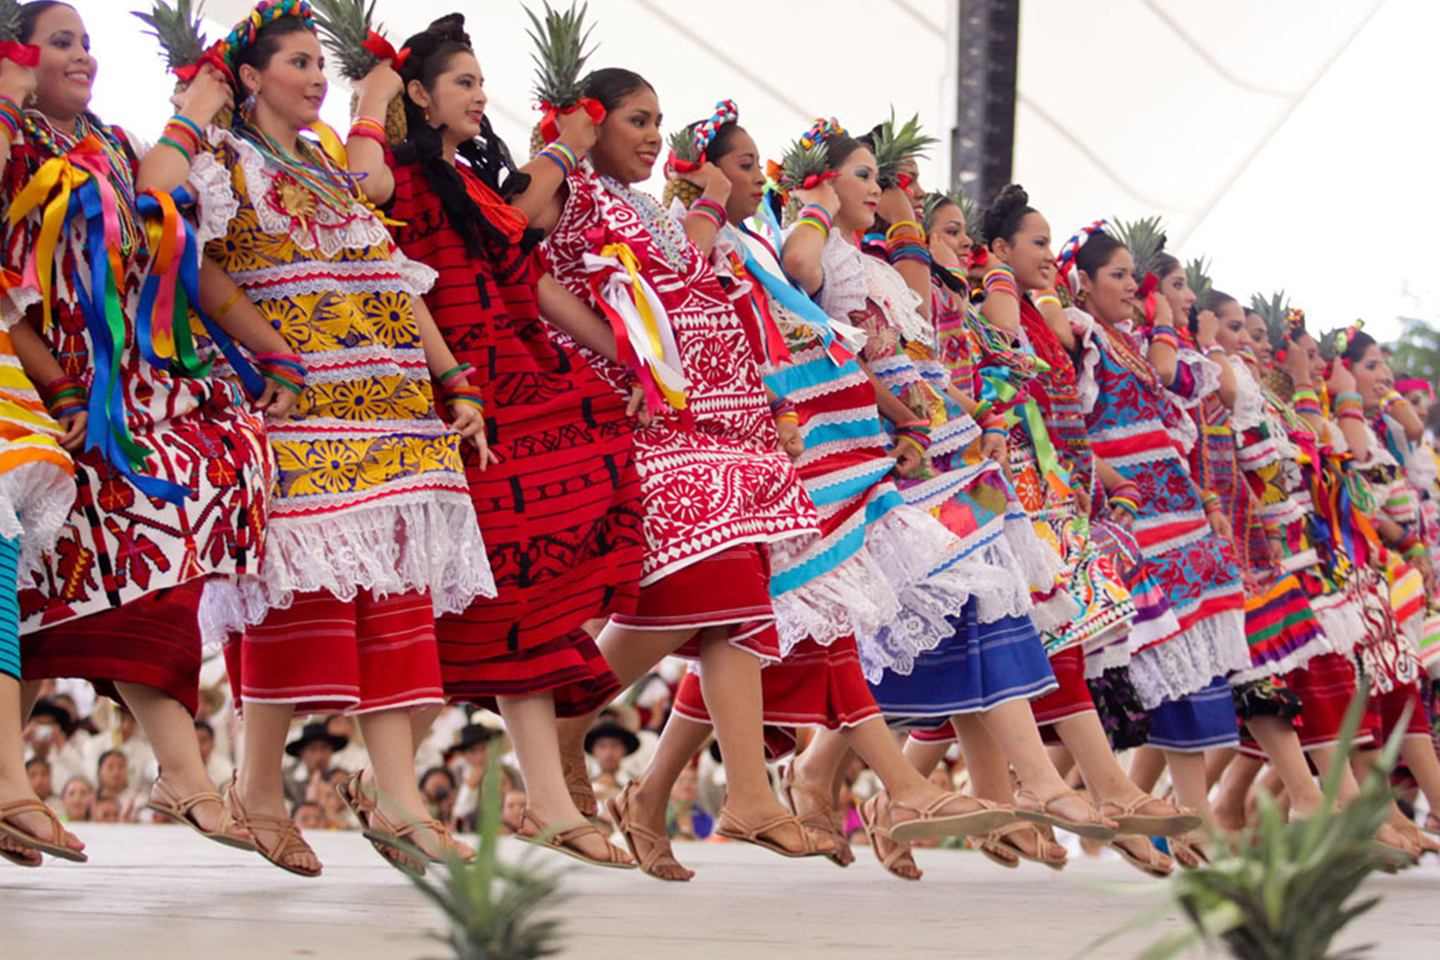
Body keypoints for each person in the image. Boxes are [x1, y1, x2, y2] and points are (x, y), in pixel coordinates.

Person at [137, 1, 496, 877]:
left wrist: (453, 379)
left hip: (391, 400)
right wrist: (199, 102)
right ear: (251, 77)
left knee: (395, 596)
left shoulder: (333, 165)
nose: (313, 77)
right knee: (304, 598)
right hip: (303, 398)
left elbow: (391, 271)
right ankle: (259, 789)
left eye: (317, 64)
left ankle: (401, 801)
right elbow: (168, 219)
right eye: (296, 62)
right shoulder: (221, 158)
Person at [345, 14, 645, 869]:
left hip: (515, 381)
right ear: (418, 95)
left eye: (482, 82)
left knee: (531, 593)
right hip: (452, 396)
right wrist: (372, 103)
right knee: (493, 597)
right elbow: (372, 223)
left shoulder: (466, 183)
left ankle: (537, 799)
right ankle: (405, 789)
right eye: (464, 82)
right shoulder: (394, 177)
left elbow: (530, 279)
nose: (480, 95)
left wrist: (624, 356)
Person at [524, 66, 833, 862]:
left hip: (719, 425)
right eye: (636, 118)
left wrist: (698, 202)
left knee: (732, 592)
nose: (654, 132)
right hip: (645, 423)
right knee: (704, 587)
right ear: (592, 123)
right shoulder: (572, 193)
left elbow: (686, 280)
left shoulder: (640, 208)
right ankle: (564, 727)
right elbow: (512, 230)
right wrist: (563, 149)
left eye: (658, 118)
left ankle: (728, 795)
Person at [6, 0, 280, 860]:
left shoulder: (116, 148)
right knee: (54, 581)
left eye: (89, 42)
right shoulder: (12, 144)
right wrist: (53, 389)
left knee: (131, 563)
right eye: (62, 42)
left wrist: (272, 351)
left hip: (141, 380)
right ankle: (176, 775)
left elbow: (183, 260)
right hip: (54, 380)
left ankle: (177, 773)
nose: (83, 56)